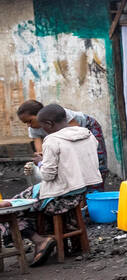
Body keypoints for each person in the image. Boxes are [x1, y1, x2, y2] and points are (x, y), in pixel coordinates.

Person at [0, 104, 103, 266]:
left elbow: (47, 175)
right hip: (80, 193)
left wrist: (41, 163)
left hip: (59, 196)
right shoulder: (88, 135)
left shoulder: (52, 141)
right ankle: (71, 241)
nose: (42, 131)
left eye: (42, 127)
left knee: (8, 210)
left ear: (48, 124)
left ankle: (39, 240)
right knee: (29, 199)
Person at [18, 99, 108, 184]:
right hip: (66, 136)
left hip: (85, 128)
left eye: (30, 121)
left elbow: (75, 134)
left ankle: (97, 185)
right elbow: (41, 150)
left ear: (41, 114)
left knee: (96, 158)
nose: (29, 125)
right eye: (26, 123)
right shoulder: (33, 128)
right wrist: (42, 158)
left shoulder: (59, 114)